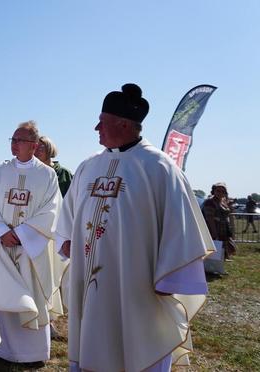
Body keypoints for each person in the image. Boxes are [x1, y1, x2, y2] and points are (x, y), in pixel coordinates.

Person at [56, 83, 213, 371]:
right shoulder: (88, 167)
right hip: (91, 285)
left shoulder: (159, 168)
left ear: (123, 123)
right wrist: (66, 239)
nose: (96, 128)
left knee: (137, 345)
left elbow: (181, 229)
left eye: (101, 121)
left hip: (138, 287)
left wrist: (171, 279)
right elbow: (69, 214)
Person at [0, 121, 63, 365]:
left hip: (30, 248)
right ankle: (1, 350)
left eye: (20, 140)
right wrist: (0, 232)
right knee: (2, 294)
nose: (14, 144)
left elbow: (52, 210)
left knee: (32, 296)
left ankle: (33, 354)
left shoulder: (47, 175)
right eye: (13, 139)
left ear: (34, 145)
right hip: (1, 245)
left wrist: (24, 234)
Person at [202, 183, 236, 260]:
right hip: (213, 228)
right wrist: (214, 233)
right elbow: (209, 218)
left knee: (224, 248)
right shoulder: (210, 202)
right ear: (214, 191)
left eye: (223, 191)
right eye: (218, 191)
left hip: (224, 229)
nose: (220, 193)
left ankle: (219, 264)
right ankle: (212, 267)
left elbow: (227, 212)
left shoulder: (223, 201)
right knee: (215, 248)